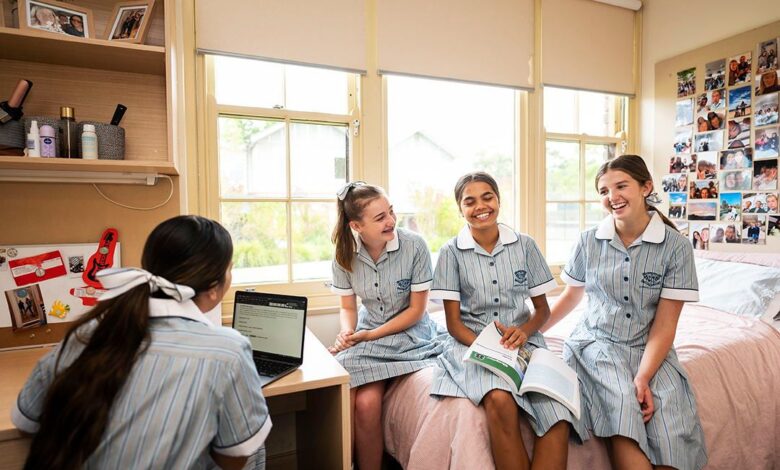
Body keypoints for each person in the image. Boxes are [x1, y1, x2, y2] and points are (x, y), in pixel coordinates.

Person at [12, 216, 271, 470]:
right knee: (252, 444)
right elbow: (234, 458)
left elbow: (25, 422)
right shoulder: (228, 351)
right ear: (215, 287)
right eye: (230, 268)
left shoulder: (87, 333)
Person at [547, 155, 707, 470]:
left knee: (672, 429)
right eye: (604, 191)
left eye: (621, 186)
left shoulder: (676, 247)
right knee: (624, 407)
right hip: (597, 344)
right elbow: (570, 296)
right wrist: (530, 330)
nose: (612, 197)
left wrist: (644, 376)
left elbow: (664, 324)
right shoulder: (588, 241)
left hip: (650, 348)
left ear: (646, 187)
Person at [430, 172, 585, 470]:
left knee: (558, 411)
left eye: (487, 197)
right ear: (460, 209)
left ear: (498, 200)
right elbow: (453, 324)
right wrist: (490, 347)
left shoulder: (525, 245)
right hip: (472, 343)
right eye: (470, 201)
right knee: (500, 400)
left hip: (524, 341)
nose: (480, 206)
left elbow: (542, 311)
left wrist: (524, 333)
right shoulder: (451, 252)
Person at [329, 182, 443, 470]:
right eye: (380, 218)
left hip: (410, 333)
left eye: (390, 212)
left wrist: (369, 336)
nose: (391, 221)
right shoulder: (344, 254)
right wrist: (348, 332)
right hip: (369, 334)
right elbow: (347, 307)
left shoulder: (414, 245)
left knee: (343, 371)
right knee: (365, 405)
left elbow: (417, 311)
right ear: (356, 225)